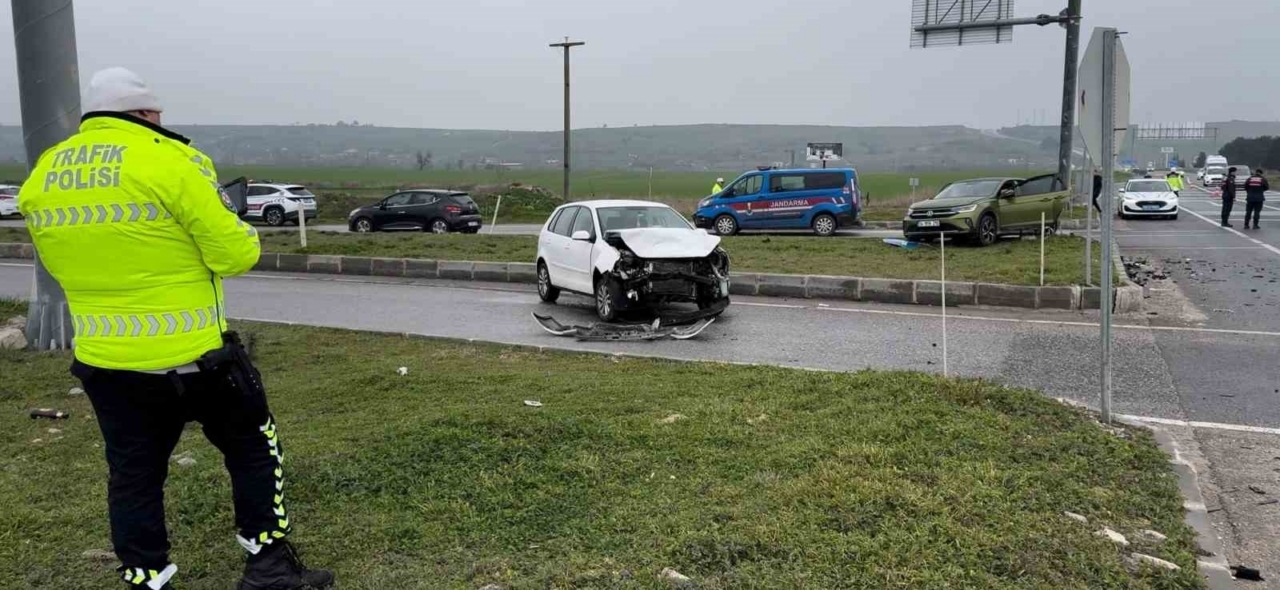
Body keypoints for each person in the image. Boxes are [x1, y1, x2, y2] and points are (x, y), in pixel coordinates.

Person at [18, 68, 333, 590]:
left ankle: (147, 578)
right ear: (145, 113)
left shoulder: (45, 172)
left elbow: (61, 259)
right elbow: (234, 255)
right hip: (196, 356)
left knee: (134, 474)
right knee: (255, 447)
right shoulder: (173, 159)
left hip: (106, 360)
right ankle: (268, 566)